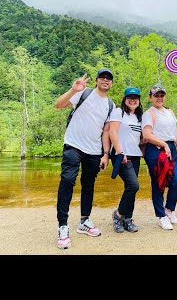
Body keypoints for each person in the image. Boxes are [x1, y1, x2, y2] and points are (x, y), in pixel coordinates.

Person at [54, 68, 115, 249]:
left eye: (109, 79)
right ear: (96, 80)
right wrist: (73, 90)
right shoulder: (83, 93)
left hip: (94, 151)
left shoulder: (110, 105)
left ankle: (84, 221)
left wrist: (105, 154)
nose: (105, 80)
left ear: (111, 83)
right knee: (67, 180)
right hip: (73, 144)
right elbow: (58, 105)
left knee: (89, 184)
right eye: (102, 77)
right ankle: (63, 226)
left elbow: (106, 131)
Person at [142, 84, 177, 230]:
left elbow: (175, 132)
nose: (159, 98)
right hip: (156, 148)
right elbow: (147, 135)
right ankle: (161, 216)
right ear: (150, 97)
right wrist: (164, 145)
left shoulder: (169, 111)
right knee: (159, 182)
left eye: (161, 95)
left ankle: (169, 209)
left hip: (171, 146)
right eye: (156, 95)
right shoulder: (149, 113)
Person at [108, 87, 143, 233]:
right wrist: (120, 152)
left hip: (135, 155)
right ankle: (118, 215)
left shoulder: (140, 116)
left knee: (130, 188)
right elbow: (112, 131)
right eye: (130, 97)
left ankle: (128, 219)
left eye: (135, 97)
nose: (133, 100)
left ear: (139, 100)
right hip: (120, 154)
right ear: (125, 99)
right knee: (134, 185)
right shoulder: (118, 112)